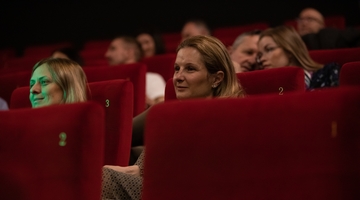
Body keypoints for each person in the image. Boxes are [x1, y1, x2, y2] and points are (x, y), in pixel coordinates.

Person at [101, 35, 245, 200]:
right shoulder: (173, 116)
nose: (178, 77)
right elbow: (139, 169)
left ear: (216, 78)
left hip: (194, 192)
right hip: (159, 188)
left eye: (190, 69)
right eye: (177, 68)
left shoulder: (229, 116)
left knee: (107, 179)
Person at [257, 25, 341, 90]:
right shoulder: (268, 86)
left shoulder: (329, 73)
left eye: (269, 49)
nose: (262, 59)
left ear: (289, 50)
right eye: (260, 55)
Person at [105, 35, 166, 107]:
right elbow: (107, 104)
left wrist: (147, 102)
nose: (107, 55)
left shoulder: (151, 78)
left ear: (128, 53)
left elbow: (162, 108)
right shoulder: (109, 82)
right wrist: (108, 103)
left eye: (113, 49)